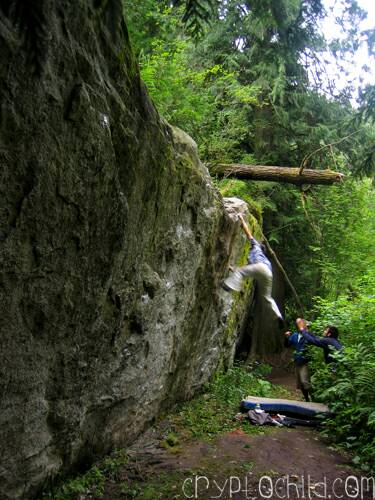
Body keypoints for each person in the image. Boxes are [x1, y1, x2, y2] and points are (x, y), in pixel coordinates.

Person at [223, 214, 283, 325]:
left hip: (260, 267)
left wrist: (241, 219)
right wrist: (231, 268)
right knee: (267, 297)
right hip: (268, 274)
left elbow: (248, 233)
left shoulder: (256, 246)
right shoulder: (263, 257)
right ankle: (278, 315)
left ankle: (229, 286)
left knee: (240, 272)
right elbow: (244, 270)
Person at [284, 318, 311, 401]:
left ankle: (314, 398)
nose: (298, 325)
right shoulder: (295, 335)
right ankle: (307, 399)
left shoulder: (308, 335)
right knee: (300, 384)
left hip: (306, 363)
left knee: (305, 382)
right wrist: (287, 337)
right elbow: (287, 344)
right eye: (298, 323)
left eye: (300, 323)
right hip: (297, 362)